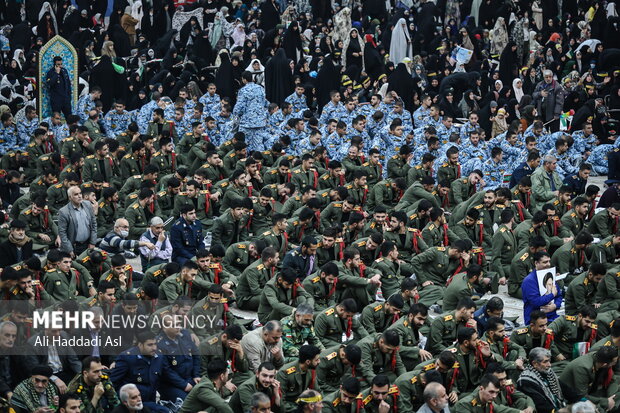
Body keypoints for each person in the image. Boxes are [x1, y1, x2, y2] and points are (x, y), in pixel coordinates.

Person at [521, 252, 562, 324]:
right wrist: (552, 295)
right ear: (536, 263)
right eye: (545, 262)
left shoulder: (550, 275)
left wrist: (555, 305)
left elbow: (559, 295)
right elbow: (535, 302)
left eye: (549, 261)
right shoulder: (529, 281)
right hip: (536, 320)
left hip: (552, 316)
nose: (548, 264)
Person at [58, 185, 97, 257]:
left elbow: (94, 223)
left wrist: (93, 242)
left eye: (80, 193)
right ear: (70, 197)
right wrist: (69, 249)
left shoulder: (88, 204)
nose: (79, 196)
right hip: (74, 246)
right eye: (76, 194)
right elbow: (62, 233)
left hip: (88, 243)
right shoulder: (64, 212)